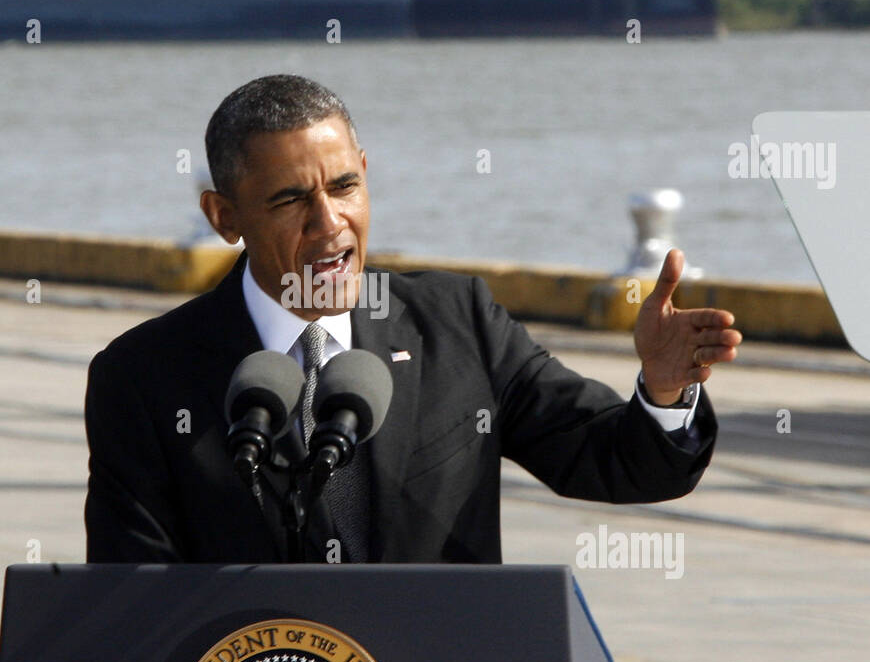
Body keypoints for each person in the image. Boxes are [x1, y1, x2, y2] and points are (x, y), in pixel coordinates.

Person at [84, 75, 741, 565]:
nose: (328, 222)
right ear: (223, 216)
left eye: (343, 187)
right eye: (289, 200)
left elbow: (616, 462)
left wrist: (662, 390)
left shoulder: (460, 324)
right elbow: (132, 595)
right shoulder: (142, 377)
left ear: (366, 176)